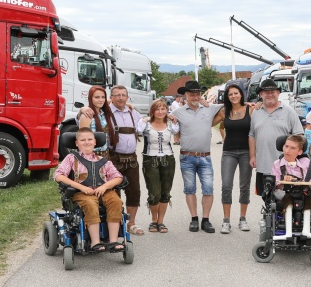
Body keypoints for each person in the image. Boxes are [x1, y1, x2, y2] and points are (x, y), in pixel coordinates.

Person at [80, 85, 144, 235]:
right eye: (117, 95)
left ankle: (130, 224)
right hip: (106, 158)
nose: (121, 98)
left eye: (123, 95)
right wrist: (82, 109)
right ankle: (111, 226)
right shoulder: (102, 112)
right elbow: (83, 134)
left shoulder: (115, 112)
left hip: (121, 158)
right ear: (112, 98)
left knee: (134, 192)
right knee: (111, 194)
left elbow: (143, 123)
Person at [53, 128, 124, 252]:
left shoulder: (103, 161)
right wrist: (80, 187)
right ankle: (95, 242)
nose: (87, 142)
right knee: (91, 204)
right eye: (83, 140)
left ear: (95, 142)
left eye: (90, 139)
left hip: (103, 191)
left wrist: (104, 186)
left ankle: (113, 241)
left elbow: (118, 177)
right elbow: (58, 175)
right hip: (81, 193)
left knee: (116, 201)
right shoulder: (71, 158)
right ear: (77, 143)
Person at [171, 80, 223, 233]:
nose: (195, 96)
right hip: (187, 157)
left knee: (208, 189)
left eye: (197, 93)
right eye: (191, 94)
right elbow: (158, 115)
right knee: (189, 189)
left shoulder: (210, 108)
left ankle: (206, 220)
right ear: (185, 95)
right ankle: (194, 219)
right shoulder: (177, 112)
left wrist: (255, 104)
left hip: (205, 157)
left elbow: (231, 104)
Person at [212, 84, 255, 234]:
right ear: (227, 97)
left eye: (236, 93)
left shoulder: (251, 109)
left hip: (246, 152)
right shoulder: (224, 111)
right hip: (229, 152)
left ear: (241, 94)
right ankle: (226, 221)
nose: (234, 96)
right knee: (226, 185)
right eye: (230, 94)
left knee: (244, 186)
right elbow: (208, 122)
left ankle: (243, 219)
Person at [271, 134, 311, 238]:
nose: (287, 150)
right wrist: (282, 181)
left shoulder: (306, 163)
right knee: (289, 201)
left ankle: (306, 230)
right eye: (286, 146)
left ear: (300, 152)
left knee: (308, 201)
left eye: (292, 148)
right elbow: (273, 184)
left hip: (305, 194)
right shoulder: (277, 164)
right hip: (286, 195)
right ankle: (288, 233)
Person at [249, 79, 303, 196]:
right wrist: (252, 156)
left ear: (278, 93)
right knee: (266, 197)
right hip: (263, 164)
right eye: (266, 92)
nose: (269, 94)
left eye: (272, 91)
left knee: (285, 197)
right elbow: (252, 135)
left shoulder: (289, 111)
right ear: (261, 94)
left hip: (285, 166)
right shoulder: (256, 112)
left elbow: (299, 135)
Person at [137, 99, 179, 233]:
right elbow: (138, 130)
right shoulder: (145, 124)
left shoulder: (171, 124)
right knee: (154, 193)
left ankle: (161, 221)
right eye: (157, 109)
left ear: (167, 110)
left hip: (168, 159)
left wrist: (173, 119)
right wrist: (147, 119)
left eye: (163, 109)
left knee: (165, 192)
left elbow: (177, 130)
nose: (160, 112)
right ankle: (153, 220)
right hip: (150, 159)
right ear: (153, 111)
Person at [78, 86, 115, 158]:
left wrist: (128, 105)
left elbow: (116, 101)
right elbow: (82, 140)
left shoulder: (104, 113)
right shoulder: (87, 115)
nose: (101, 100)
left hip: (105, 154)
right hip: (91, 155)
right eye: (97, 97)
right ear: (90, 98)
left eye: (103, 97)